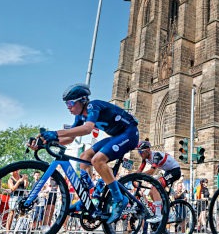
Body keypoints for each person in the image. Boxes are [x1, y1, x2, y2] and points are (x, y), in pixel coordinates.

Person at [33, 83, 139, 224]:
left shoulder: (92, 106)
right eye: (66, 104)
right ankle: (89, 199)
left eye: (70, 103)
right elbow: (69, 139)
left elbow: (88, 129)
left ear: (82, 100)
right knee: (84, 157)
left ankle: (120, 199)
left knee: (97, 160)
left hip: (130, 134)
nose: (68, 107)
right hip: (116, 136)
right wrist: (45, 142)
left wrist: (55, 133)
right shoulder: (79, 117)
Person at [136, 139, 181, 223]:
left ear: (148, 150)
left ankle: (159, 215)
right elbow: (139, 170)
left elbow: (152, 171)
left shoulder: (156, 155)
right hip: (167, 171)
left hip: (175, 171)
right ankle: (165, 211)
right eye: (139, 153)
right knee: (151, 192)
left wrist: (139, 176)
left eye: (141, 152)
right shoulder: (145, 158)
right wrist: (131, 177)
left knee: (155, 187)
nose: (140, 154)